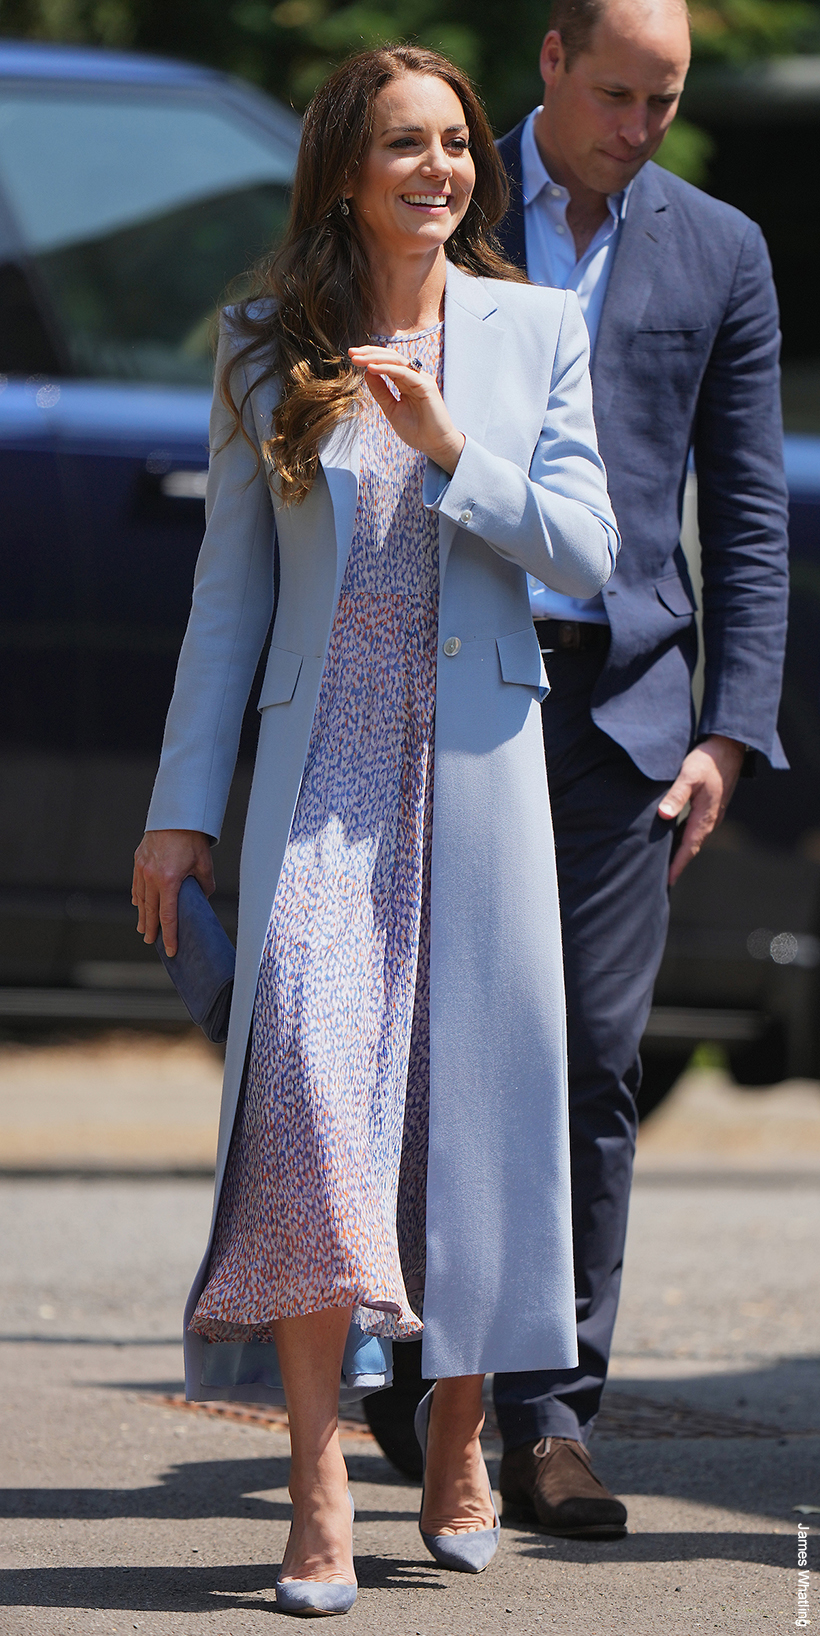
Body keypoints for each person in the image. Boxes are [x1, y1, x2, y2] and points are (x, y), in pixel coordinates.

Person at [131, 44, 619, 1614]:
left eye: (459, 144)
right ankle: (320, 1489)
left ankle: (462, 1424)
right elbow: (227, 605)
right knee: (311, 1120)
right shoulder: (267, 344)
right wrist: (175, 818)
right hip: (317, 790)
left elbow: (592, 554)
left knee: (463, 1126)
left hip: (470, 772)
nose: (442, 169)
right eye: (405, 145)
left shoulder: (535, 330)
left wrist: (449, 452)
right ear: (345, 168)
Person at [363, 0, 790, 1539]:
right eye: (616, 92)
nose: (638, 127)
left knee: (592, 1063)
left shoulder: (718, 250)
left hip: (625, 714)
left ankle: (546, 1415)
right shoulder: (443, 206)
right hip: (443, 683)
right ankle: (417, 1373)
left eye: (665, 101)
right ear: (549, 61)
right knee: (423, 1052)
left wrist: (729, 726)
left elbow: (745, 505)